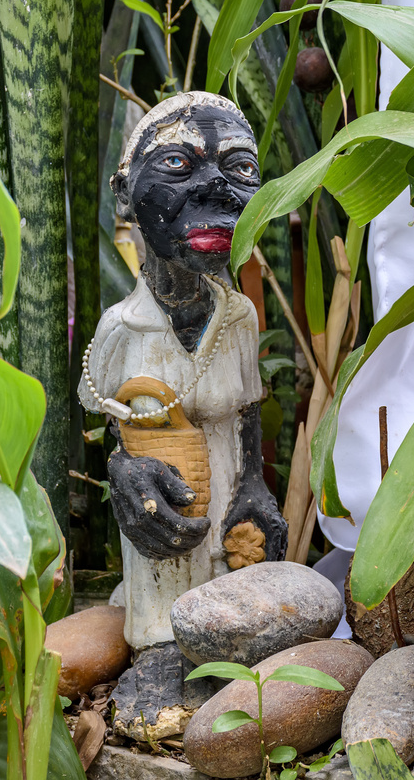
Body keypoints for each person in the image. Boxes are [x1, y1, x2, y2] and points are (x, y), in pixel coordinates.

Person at [80, 91, 287, 735]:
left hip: (224, 505)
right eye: (177, 164)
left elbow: (248, 413)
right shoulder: (121, 330)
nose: (218, 191)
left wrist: (255, 485)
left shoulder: (241, 319)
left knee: (237, 591)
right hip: (163, 515)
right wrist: (125, 475)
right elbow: (110, 427)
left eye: (240, 169)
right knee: (167, 588)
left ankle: (232, 658)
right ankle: (160, 653)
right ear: (125, 199)